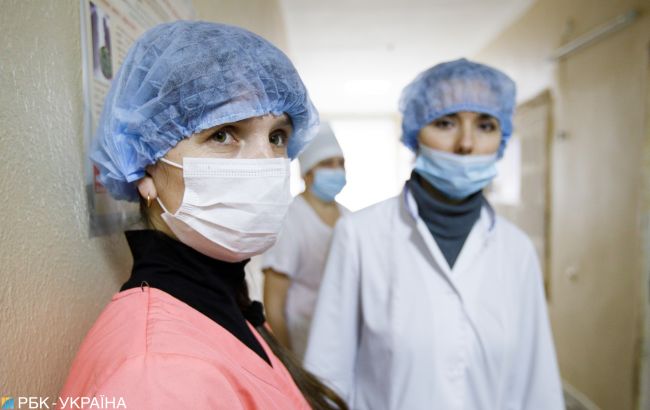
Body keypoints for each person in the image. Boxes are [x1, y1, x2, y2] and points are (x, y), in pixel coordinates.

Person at [59, 21, 347, 410]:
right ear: (144, 167)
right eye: (223, 134)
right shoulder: (157, 374)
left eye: (277, 137)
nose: (266, 163)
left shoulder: (222, 305)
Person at [304, 58, 565, 409]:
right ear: (415, 133)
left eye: (485, 125)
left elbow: (538, 385)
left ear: (501, 137)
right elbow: (328, 374)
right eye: (445, 123)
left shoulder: (517, 250)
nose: (466, 143)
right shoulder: (359, 236)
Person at [262, 123, 349, 360]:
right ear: (307, 173)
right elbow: (274, 304)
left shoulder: (349, 219)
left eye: (340, 163)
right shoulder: (291, 219)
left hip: (339, 343)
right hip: (301, 343)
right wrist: (288, 362)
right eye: (327, 164)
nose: (337, 170)